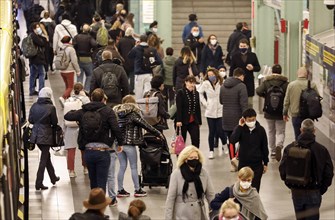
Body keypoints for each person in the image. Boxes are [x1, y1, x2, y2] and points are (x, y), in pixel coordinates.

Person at [64, 88, 124, 190]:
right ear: (103, 99)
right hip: (103, 151)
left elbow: (67, 116)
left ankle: (94, 202)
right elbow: (115, 128)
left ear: (91, 98)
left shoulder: (83, 111)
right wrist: (120, 143)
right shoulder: (108, 111)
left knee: (93, 181)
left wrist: (77, 111)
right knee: (102, 182)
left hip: (88, 151)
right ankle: (101, 203)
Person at [279, 119, 334, 220]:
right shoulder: (321, 150)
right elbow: (329, 173)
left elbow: (282, 171)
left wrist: (291, 185)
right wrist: (321, 189)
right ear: (314, 131)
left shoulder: (290, 148)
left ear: (301, 130)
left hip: (296, 191)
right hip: (314, 191)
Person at [113, 95, 163, 199]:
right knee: (134, 167)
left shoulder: (116, 113)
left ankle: (120, 190)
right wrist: (158, 133)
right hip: (129, 144)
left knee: (122, 166)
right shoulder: (133, 113)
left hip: (118, 144)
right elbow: (145, 125)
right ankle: (137, 189)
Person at [165, 145, 215, 220]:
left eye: (196, 158)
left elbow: (210, 195)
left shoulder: (204, 173)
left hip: (199, 213)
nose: (194, 160)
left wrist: (214, 213)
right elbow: (170, 199)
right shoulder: (176, 174)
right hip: (181, 214)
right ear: (185, 159)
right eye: (191, 158)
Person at [230, 108, 269, 192]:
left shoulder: (261, 130)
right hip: (244, 164)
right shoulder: (241, 129)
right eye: (249, 120)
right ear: (244, 119)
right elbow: (232, 140)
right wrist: (239, 126)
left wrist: (265, 163)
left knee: (255, 189)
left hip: (257, 165)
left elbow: (264, 147)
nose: (251, 121)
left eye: (253, 119)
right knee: (243, 188)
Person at [29, 87, 60, 190]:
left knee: (46, 157)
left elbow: (31, 120)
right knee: (43, 159)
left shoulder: (34, 106)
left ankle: (53, 177)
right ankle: (38, 183)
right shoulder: (51, 108)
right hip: (46, 136)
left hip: (36, 136)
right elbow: (54, 122)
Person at [256, 64, 289, 161]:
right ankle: (279, 145)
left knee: (271, 131)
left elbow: (258, 91)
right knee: (280, 131)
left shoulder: (267, 82)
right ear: (281, 72)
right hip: (281, 111)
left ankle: (273, 151)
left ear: (272, 71)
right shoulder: (285, 83)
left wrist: (265, 96)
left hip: (269, 111)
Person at [219, 68, 248, 171]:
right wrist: (246, 118)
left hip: (226, 117)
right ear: (241, 76)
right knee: (242, 140)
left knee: (231, 140)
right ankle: (237, 158)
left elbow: (221, 101)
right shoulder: (241, 86)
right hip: (238, 118)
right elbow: (244, 104)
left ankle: (232, 161)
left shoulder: (223, 86)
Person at [282, 66, 319, 140]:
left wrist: (285, 113)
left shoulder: (291, 85)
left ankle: (299, 150)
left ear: (297, 74)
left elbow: (286, 101)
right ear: (306, 75)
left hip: (296, 115)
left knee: (298, 137)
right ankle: (310, 150)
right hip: (309, 115)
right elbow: (318, 99)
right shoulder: (312, 85)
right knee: (310, 137)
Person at [198, 68, 227, 159]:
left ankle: (225, 145)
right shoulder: (205, 84)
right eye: (209, 75)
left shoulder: (222, 83)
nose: (211, 76)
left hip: (220, 110)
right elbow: (200, 93)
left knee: (220, 130)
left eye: (212, 74)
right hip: (210, 110)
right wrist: (205, 103)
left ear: (216, 74)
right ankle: (211, 150)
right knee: (212, 132)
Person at [63, 83, 90, 178]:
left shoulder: (69, 99)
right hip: (82, 127)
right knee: (84, 149)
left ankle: (71, 171)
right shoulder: (85, 99)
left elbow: (64, 116)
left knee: (71, 150)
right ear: (82, 89)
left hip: (70, 127)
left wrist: (64, 130)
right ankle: (85, 168)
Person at [128, 34, 162, 100]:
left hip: (139, 74)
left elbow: (129, 56)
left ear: (140, 40)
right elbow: (159, 61)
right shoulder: (152, 49)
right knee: (147, 93)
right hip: (148, 73)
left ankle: (140, 108)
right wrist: (152, 65)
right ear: (147, 40)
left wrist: (135, 45)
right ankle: (147, 107)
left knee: (139, 94)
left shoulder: (136, 48)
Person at [229, 38, 261, 108]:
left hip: (249, 81)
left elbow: (258, 68)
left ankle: (248, 117)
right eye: (241, 46)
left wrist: (253, 68)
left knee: (249, 104)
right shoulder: (235, 56)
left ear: (248, 46)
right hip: (237, 82)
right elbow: (231, 69)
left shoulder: (253, 55)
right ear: (239, 46)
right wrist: (231, 80)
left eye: (244, 46)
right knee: (238, 103)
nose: (242, 48)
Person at [176, 75, 202, 148]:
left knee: (196, 139)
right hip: (182, 121)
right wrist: (179, 120)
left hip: (193, 121)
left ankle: (195, 156)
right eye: (190, 82)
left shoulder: (196, 93)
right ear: (186, 82)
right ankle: (181, 157)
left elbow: (198, 108)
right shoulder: (181, 92)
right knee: (181, 141)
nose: (192, 84)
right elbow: (179, 108)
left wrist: (199, 121)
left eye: (193, 82)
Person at [73, 23, 98, 92]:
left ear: (81, 29)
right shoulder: (90, 37)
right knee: (89, 75)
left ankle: (78, 90)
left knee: (79, 76)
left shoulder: (77, 37)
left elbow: (74, 45)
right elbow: (95, 44)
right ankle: (86, 90)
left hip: (79, 58)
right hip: (88, 58)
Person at [58, 36, 81, 106]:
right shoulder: (71, 49)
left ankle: (67, 100)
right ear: (69, 41)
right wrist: (78, 70)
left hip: (62, 70)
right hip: (69, 70)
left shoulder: (60, 48)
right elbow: (74, 61)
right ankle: (63, 97)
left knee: (67, 86)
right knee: (71, 87)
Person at [29, 22, 47, 96]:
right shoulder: (34, 36)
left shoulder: (31, 36)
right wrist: (44, 36)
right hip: (38, 58)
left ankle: (32, 90)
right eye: (37, 27)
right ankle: (41, 90)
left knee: (33, 74)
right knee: (42, 74)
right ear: (34, 29)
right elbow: (42, 43)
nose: (39, 29)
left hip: (33, 58)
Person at [117, 27, 136, 94]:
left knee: (124, 76)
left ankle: (124, 88)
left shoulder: (121, 40)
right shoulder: (133, 41)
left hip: (123, 61)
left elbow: (118, 50)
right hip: (132, 61)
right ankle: (131, 90)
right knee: (132, 77)